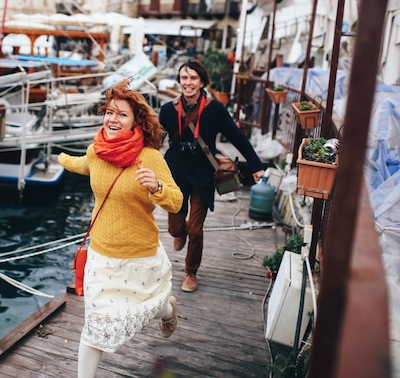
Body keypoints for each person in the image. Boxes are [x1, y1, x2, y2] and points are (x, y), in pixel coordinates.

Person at [58, 78, 184, 378]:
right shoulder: (96, 151)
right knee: (95, 325)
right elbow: (83, 164)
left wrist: (157, 187)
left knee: (144, 311)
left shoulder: (150, 158)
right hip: (101, 255)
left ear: (136, 121)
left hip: (139, 254)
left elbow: (176, 202)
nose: (113, 119)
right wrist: (60, 158)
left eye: (122, 114)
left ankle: (167, 309)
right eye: (109, 112)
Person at [158, 59, 266, 293]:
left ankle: (190, 272)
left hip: (203, 174)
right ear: (179, 81)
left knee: (196, 230)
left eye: (193, 78)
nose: (188, 83)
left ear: (202, 82)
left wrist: (256, 165)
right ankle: (180, 233)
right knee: (176, 229)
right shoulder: (168, 110)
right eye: (184, 78)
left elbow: (237, 137)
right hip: (174, 174)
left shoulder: (215, 109)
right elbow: (154, 141)